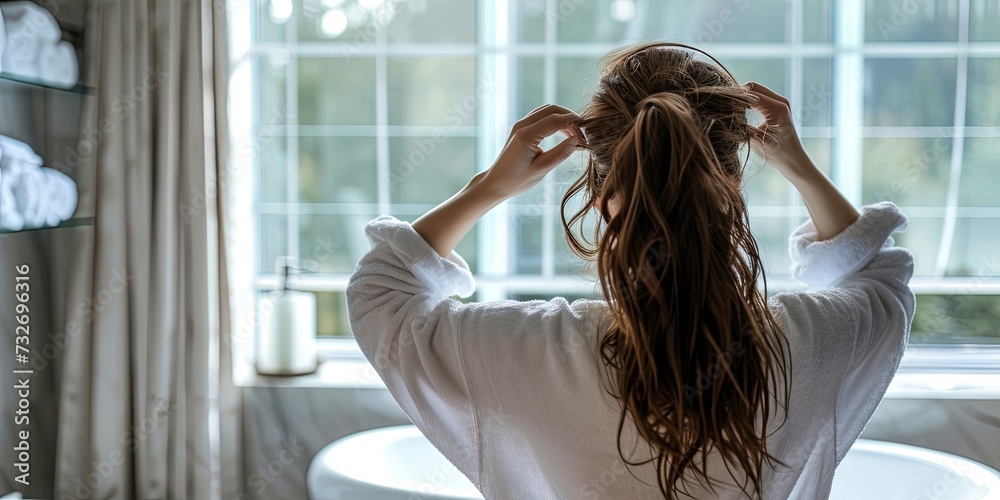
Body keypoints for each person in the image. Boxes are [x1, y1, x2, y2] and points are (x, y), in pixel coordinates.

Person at [346, 42, 915, 499]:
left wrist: (488, 188)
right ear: (732, 185)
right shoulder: (806, 342)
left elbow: (381, 294)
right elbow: (878, 278)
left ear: (597, 195)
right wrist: (803, 170)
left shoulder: (526, 350)